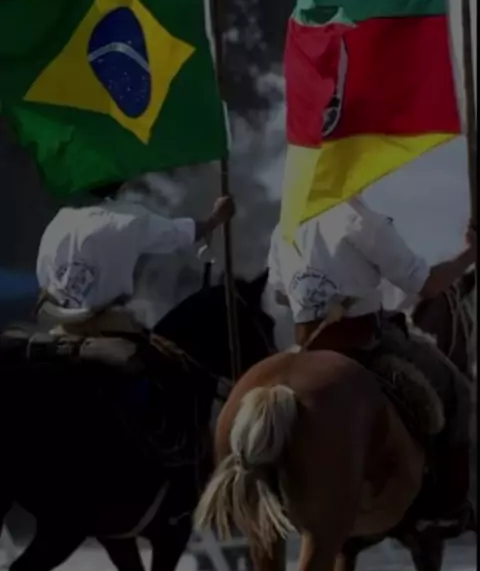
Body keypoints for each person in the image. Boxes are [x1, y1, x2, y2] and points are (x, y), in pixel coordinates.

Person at [268, 196, 476, 533]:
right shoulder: (360, 220)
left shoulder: (285, 226)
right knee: (459, 390)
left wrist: (319, 287)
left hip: (307, 344)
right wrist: (470, 254)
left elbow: (280, 293)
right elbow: (428, 285)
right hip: (366, 343)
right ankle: (446, 506)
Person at [35, 183, 235, 335]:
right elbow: (178, 234)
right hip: (106, 324)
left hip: (60, 323)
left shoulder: (59, 221)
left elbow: (43, 278)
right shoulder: (129, 220)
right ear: (119, 183)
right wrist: (215, 219)